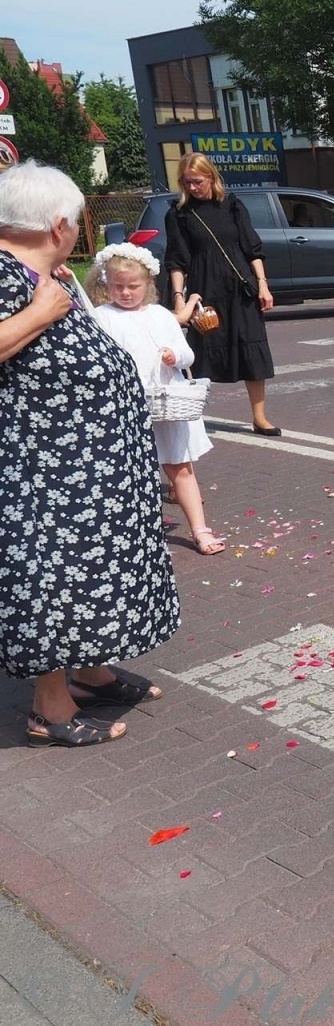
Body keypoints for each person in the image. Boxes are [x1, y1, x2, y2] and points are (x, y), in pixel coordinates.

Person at [0, 161, 178, 747]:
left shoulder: (42, 269)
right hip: (47, 469)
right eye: (75, 221)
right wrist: (37, 314)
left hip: (87, 465)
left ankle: (91, 671)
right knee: (55, 575)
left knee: (89, 574)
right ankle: (49, 708)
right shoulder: (5, 275)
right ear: (58, 226)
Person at [88, 243, 224, 556]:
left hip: (168, 402)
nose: (125, 293)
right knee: (130, 472)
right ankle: (133, 533)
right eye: (117, 286)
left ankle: (200, 529)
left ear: (149, 284)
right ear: (106, 284)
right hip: (129, 405)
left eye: (133, 286)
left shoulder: (162, 315)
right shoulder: (102, 317)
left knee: (181, 468)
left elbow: (188, 353)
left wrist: (173, 355)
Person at [163, 151, 280, 436]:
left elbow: (252, 248)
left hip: (240, 288)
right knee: (203, 354)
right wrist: (179, 297)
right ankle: (195, 417)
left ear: (211, 177)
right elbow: (177, 260)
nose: (192, 187)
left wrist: (262, 284)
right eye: (186, 182)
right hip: (205, 291)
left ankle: (259, 417)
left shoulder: (232, 205)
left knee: (252, 349)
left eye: (197, 181)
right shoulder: (179, 214)